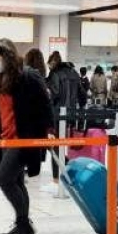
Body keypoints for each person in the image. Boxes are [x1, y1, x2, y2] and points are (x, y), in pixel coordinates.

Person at [0, 39, 54, 234]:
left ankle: (24, 226)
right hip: (4, 139)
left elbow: (45, 105)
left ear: (7, 56)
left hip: (23, 138)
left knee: (4, 179)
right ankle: (22, 225)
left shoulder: (28, 76)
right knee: (17, 181)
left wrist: (49, 131)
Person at [46, 51, 81, 182]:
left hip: (55, 114)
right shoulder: (74, 73)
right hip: (69, 114)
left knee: (54, 144)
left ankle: (57, 176)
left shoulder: (55, 73)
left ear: (52, 63)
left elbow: (54, 94)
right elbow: (82, 94)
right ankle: (66, 165)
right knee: (58, 144)